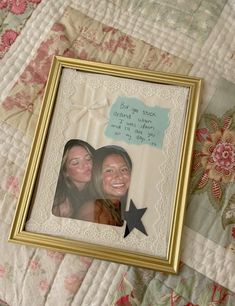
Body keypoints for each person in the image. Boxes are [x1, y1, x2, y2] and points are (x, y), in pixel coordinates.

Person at [76, 145, 132, 226]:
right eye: (109, 170)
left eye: (124, 169)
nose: (119, 176)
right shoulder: (94, 212)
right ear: (97, 176)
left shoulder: (119, 206)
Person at [52, 139, 95, 218]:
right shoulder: (63, 206)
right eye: (75, 163)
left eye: (88, 158)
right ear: (65, 172)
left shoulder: (94, 191)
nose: (86, 165)